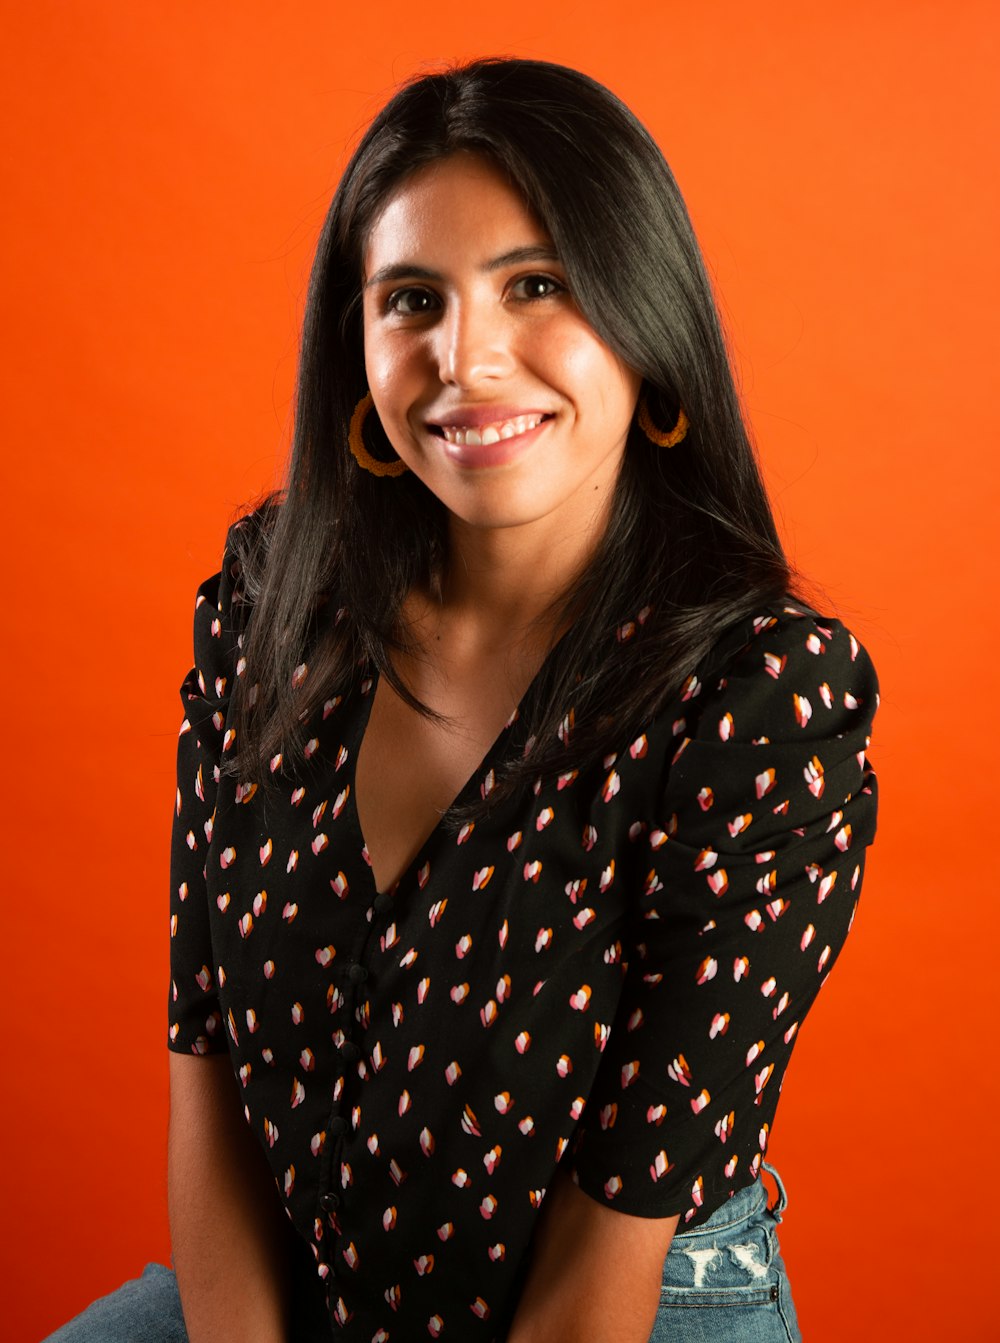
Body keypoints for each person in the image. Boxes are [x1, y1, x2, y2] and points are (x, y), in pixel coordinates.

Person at [47, 57, 878, 1343]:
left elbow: (601, 1267)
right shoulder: (270, 603)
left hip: (622, 1302)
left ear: (646, 331)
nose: (466, 358)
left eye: (535, 286)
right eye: (411, 300)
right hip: (303, 1286)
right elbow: (203, 1052)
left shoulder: (763, 701)